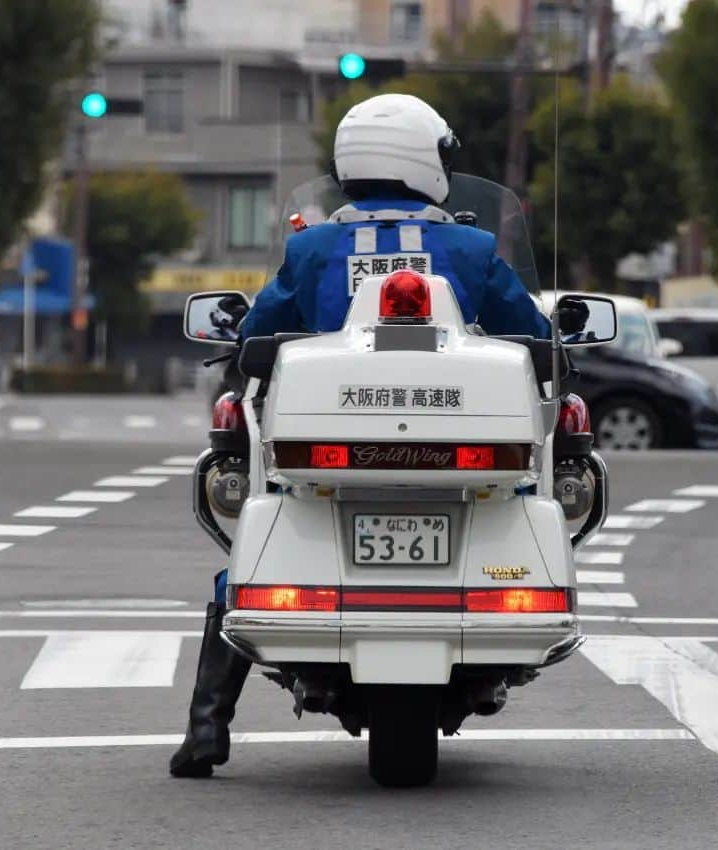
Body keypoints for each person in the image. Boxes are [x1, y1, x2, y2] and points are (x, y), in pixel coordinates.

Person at [170, 93, 578, 778]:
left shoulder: (313, 246)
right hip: (465, 459)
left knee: (242, 564)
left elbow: (254, 333)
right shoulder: (470, 246)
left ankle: (207, 731)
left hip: (326, 456)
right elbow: (533, 333)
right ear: (427, 162)